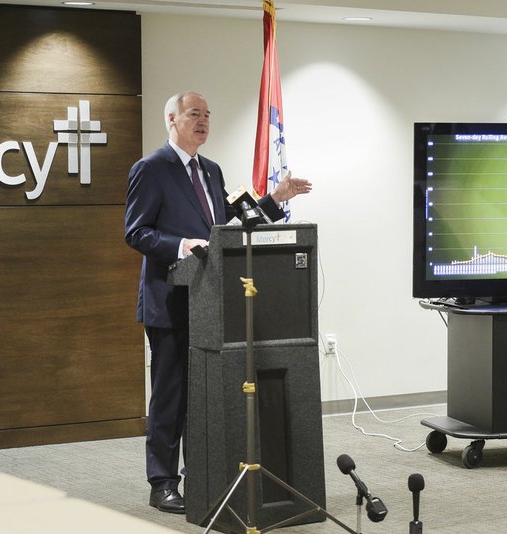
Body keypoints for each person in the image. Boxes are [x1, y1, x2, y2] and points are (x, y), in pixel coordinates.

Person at [125, 91, 311, 514]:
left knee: (204, 397)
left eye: (208, 114)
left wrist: (275, 198)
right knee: (170, 396)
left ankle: (202, 475)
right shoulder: (150, 169)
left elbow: (223, 227)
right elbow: (136, 232)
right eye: (195, 114)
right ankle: (163, 483)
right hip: (170, 301)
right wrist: (180, 245)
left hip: (210, 302)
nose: (204, 120)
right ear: (172, 119)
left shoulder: (211, 171)